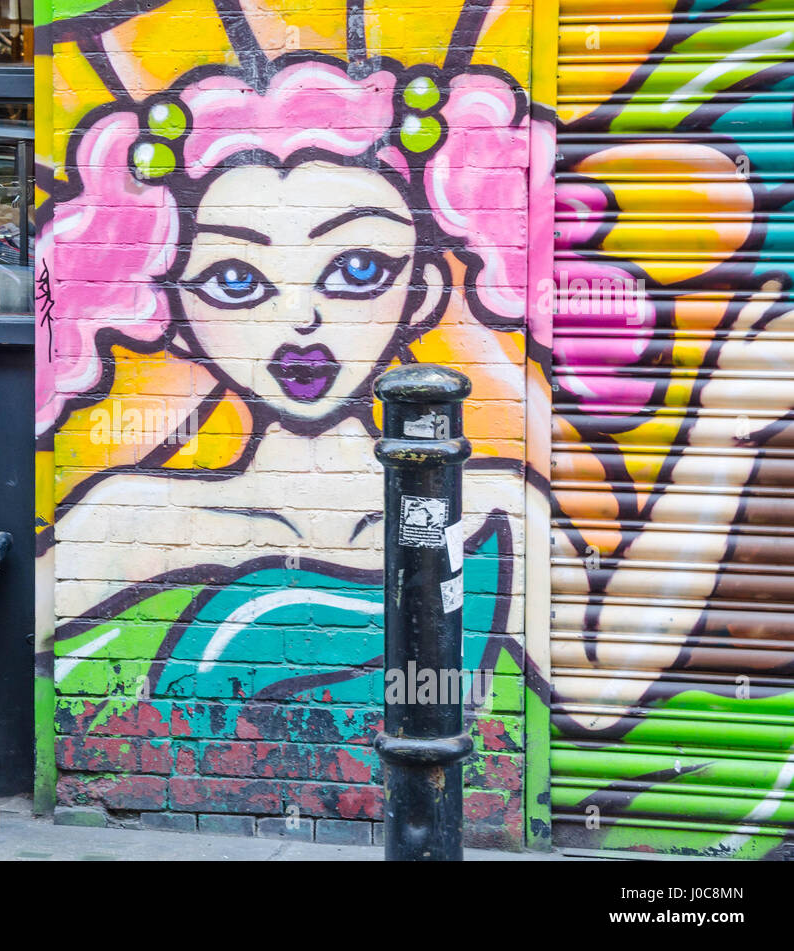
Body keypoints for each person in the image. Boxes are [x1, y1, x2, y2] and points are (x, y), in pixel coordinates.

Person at [39, 55, 536, 705]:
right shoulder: (117, 517)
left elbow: (608, 688)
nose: (301, 319)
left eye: (359, 269)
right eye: (236, 280)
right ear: (179, 317)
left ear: (423, 294)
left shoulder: (494, 507)